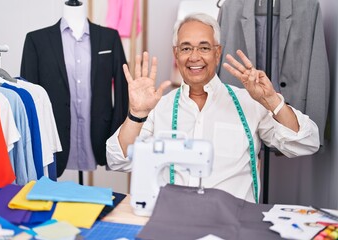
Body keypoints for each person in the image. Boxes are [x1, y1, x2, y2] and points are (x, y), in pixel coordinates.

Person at [106, 13, 320, 203]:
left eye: (204, 47)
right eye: (186, 48)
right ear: (176, 54)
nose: (194, 56)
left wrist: (273, 100)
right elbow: (117, 160)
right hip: (172, 222)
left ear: (217, 53)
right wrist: (136, 114)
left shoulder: (250, 102)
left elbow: (306, 142)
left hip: (232, 227)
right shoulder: (159, 106)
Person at [21, 1, 128, 178]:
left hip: (99, 136)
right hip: (56, 136)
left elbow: (122, 91)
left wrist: (118, 134)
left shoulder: (110, 38)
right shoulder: (36, 40)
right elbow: (29, 98)